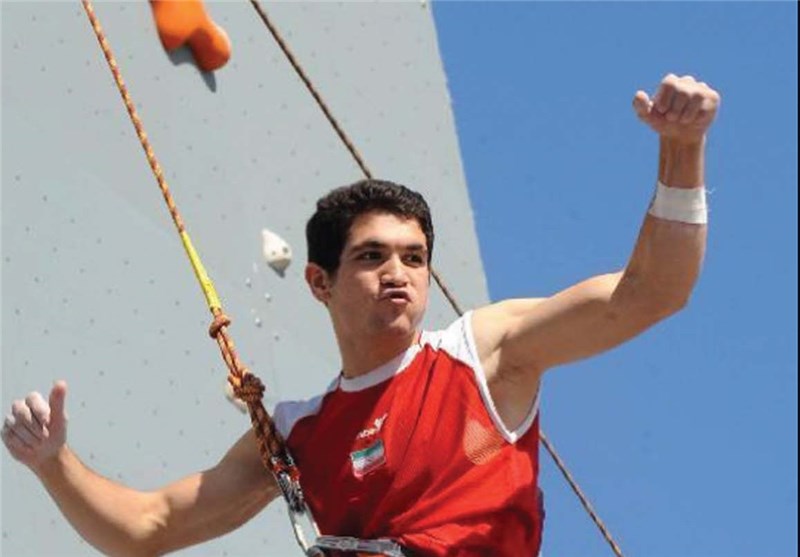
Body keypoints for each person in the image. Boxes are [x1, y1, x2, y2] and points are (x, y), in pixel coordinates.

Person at [2, 74, 720, 557]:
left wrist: (681, 151)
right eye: (373, 256)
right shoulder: (298, 433)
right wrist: (52, 462)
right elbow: (149, 527)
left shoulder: (486, 353)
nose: (399, 273)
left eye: (415, 257)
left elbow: (649, 293)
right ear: (320, 281)